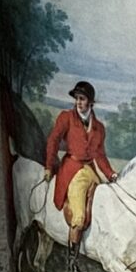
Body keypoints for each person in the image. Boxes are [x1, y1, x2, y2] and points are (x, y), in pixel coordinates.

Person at [45, 82, 116, 248]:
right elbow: (53, 140)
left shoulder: (99, 128)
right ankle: (72, 256)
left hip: (91, 170)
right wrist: (49, 166)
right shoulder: (66, 118)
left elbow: (100, 155)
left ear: (90, 102)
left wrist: (111, 174)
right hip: (72, 169)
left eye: (82, 99)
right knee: (79, 216)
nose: (78, 102)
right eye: (76, 98)